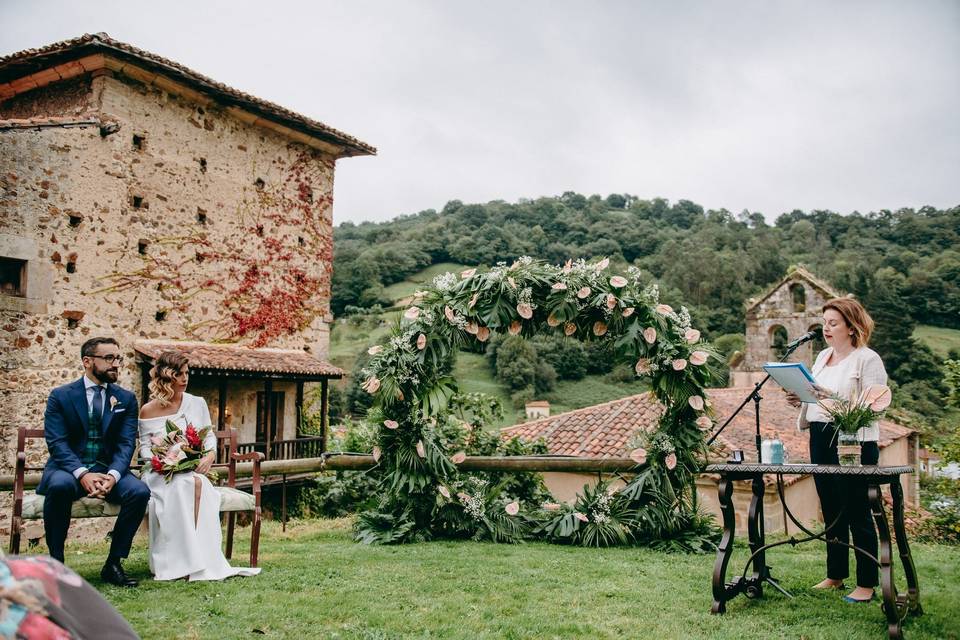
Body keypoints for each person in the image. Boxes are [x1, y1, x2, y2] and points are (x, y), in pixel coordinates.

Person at [786, 297, 887, 603]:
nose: (826, 329)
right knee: (831, 509)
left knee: (857, 509)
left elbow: (874, 407)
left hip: (853, 441)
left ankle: (867, 584)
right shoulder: (822, 358)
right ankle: (835, 575)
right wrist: (801, 399)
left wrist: (829, 395)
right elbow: (816, 399)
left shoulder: (867, 360)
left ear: (851, 327)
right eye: (825, 323)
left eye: (833, 323)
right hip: (819, 436)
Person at [38, 337, 150, 587]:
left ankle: (113, 563)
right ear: (87, 362)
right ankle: (56, 565)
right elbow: (57, 443)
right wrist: (82, 473)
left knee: (139, 491)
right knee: (59, 486)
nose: (116, 364)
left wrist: (113, 476)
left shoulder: (126, 399)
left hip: (108, 469)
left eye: (118, 358)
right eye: (109, 358)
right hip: (69, 470)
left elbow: (125, 444)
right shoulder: (60, 396)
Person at [138, 351, 260, 581]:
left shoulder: (197, 403)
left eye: (187, 373)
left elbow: (208, 437)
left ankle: (197, 559)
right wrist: (162, 461)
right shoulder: (148, 409)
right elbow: (144, 447)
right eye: (179, 374)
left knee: (196, 483)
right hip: (160, 472)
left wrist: (209, 455)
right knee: (184, 485)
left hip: (190, 468)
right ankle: (179, 561)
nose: (185, 378)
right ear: (166, 376)